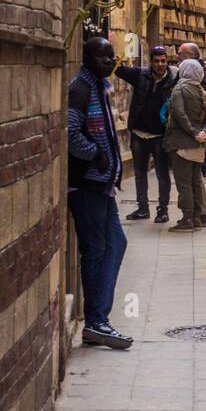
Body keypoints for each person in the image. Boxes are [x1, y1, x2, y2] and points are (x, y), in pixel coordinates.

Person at [67, 36, 132, 349]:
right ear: (87, 58)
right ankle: (95, 321)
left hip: (102, 185)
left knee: (115, 243)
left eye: (112, 56)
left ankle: (98, 318)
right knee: (96, 249)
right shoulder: (80, 89)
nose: (109, 62)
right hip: (88, 185)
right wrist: (94, 153)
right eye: (102, 57)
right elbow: (69, 132)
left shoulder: (98, 86)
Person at [115, 46, 176, 223]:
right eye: (156, 61)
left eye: (163, 61)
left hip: (160, 135)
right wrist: (115, 59)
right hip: (139, 133)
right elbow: (120, 70)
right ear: (151, 61)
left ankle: (162, 210)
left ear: (167, 61)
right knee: (140, 172)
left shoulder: (173, 81)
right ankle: (142, 208)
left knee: (162, 174)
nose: (160, 64)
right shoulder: (140, 75)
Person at [163, 59, 206, 230]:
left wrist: (192, 132)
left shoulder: (179, 89)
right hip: (198, 144)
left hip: (181, 142)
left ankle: (187, 217)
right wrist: (203, 133)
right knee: (195, 180)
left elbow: (178, 113)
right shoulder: (203, 93)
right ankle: (198, 217)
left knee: (183, 181)